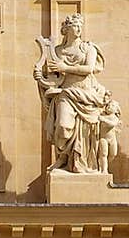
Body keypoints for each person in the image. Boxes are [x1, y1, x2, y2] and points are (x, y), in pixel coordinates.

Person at [34, 14, 109, 174]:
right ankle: (63, 158)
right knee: (63, 126)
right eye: (75, 26)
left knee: (83, 132)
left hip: (86, 94)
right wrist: (40, 77)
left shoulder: (89, 48)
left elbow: (89, 69)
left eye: (80, 26)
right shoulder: (57, 51)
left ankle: (78, 162)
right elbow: (52, 78)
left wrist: (64, 67)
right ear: (66, 29)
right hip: (65, 93)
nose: (79, 29)